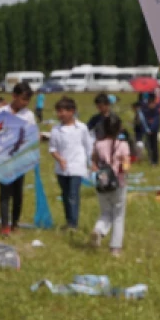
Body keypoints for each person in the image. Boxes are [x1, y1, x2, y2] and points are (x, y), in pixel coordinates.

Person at [0, 83, 36, 236]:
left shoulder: (28, 115)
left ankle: (15, 223)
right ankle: (4, 225)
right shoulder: (1, 112)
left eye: (27, 100)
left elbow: (31, 135)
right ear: (14, 96)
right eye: (23, 99)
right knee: (4, 192)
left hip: (20, 158)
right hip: (3, 159)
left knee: (18, 192)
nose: (24, 103)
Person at [49, 97, 92, 230]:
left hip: (77, 167)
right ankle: (68, 220)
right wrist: (60, 159)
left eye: (63, 111)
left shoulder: (81, 128)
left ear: (72, 111)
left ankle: (73, 224)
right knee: (65, 195)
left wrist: (92, 163)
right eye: (58, 112)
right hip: (62, 169)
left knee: (73, 195)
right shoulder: (56, 129)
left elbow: (88, 146)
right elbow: (52, 149)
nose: (60, 114)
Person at [91, 114, 130, 257]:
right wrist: (124, 171)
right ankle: (115, 247)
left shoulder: (98, 144)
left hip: (102, 182)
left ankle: (99, 230)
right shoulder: (123, 145)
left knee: (105, 212)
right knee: (118, 215)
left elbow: (94, 163)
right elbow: (126, 165)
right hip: (118, 183)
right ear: (119, 128)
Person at [137, 91, 160, 166]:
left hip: (154, 131)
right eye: (150, 103)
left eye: (153, 103)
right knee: (149, 146)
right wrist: (147, 129)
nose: (152, 105)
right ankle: (151, 160)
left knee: (155, 146)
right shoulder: (145, 110)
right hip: (147, 131)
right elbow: (143, 119)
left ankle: (155, 160)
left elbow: (156, 121)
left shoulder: (156, 111)